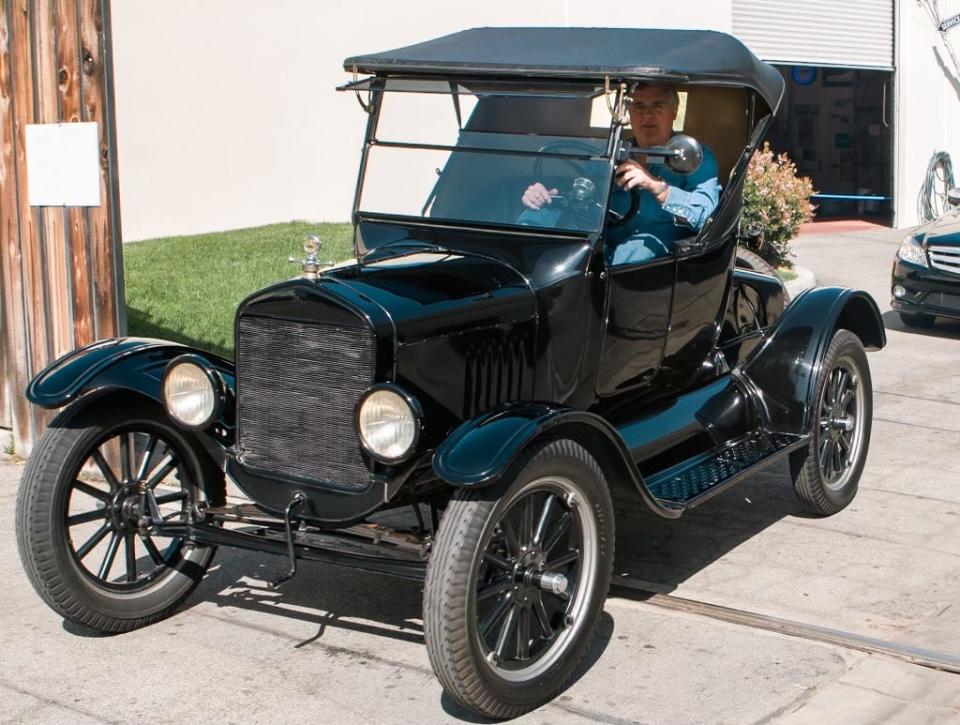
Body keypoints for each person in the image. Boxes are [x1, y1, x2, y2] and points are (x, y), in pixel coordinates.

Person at [520, 83, 722, 265]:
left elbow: (708, 217)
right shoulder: (614, 154)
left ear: (674, 111)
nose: (647, 116)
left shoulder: (694, 157)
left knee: (638, 250)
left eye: (657, 106)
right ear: (629, 114)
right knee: (538, 214)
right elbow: (583, 196)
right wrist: (548, 196)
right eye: (639, 107)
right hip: (606, 242)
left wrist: (658, 188)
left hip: (659, 261)